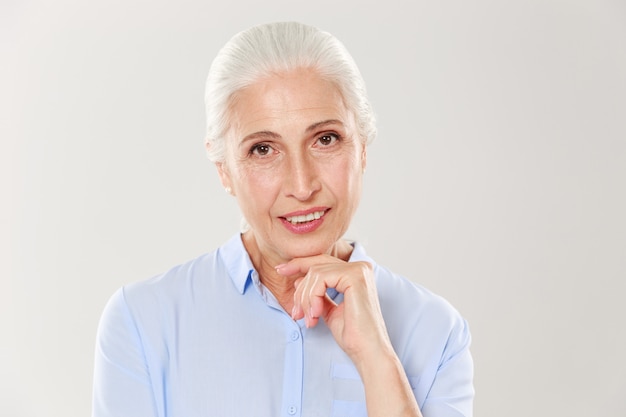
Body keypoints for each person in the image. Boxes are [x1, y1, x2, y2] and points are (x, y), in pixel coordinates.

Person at [92, 22, 474, 417]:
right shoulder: (141, 322)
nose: (302, 184)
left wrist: (377, 358)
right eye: (263, 149)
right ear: (224, 169)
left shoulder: (436, 331)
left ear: (362, 148)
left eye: (325, 139)